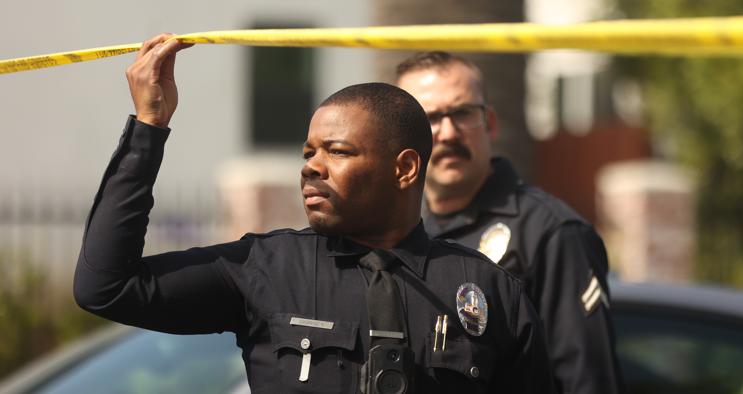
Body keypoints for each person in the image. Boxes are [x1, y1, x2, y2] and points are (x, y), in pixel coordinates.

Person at [73, 34, 553, 394]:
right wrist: (149, 126)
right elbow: (107, 288)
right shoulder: (264, 267)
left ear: (404, 168)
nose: (311, 169)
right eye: (308, 153)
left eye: (337, 151)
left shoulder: (489, 291)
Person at [395, 51, 623, 394]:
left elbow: (588, 381)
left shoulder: (550, 233)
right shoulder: (396, 231)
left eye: (462, 113)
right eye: (430, 118)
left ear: (490, 123)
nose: (447, 132)